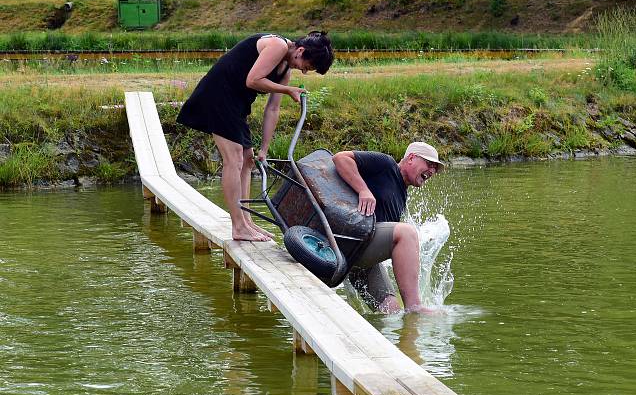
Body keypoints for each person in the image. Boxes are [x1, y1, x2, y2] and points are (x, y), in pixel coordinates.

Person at [177, 31, 334, 242]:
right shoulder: (277, 45)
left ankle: (247, 221)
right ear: (301, 50)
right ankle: (238, 227)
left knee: (248, 160)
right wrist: (287, 90)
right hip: (218, 95)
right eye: (306, 66)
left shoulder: (285, 69)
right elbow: (253, 80)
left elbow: (272, 110)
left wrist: (264, 148)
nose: (304, 72)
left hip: (237, 103)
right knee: (234, 159)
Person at [332, 142, 444, 314]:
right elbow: (340, 158)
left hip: (362, 257)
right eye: (429, 164)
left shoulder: (401, 194)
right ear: (411, 158)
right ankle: (415, 306)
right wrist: (363, 190)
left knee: (392, 311)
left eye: (435, 168)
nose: (432, 171)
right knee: (407, 232)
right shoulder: (386, 164)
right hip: (349, 239)